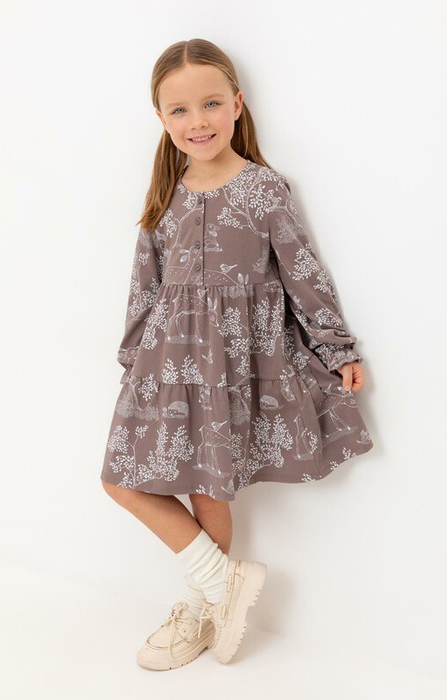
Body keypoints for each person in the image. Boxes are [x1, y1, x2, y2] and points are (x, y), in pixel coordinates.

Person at [100, 38, 374, 671]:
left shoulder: (264, 189)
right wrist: (134, 362)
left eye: (211, 104)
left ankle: (203, 609)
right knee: (120, 480)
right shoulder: (163, 194)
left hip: (233, 366)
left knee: (209, 489)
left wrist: (335, 346)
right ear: (161, 118)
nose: (197, 121)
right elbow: (145, 287)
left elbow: (302, 271)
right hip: (168, 366)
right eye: (179, 110)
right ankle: (224, 583)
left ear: (236, 105)